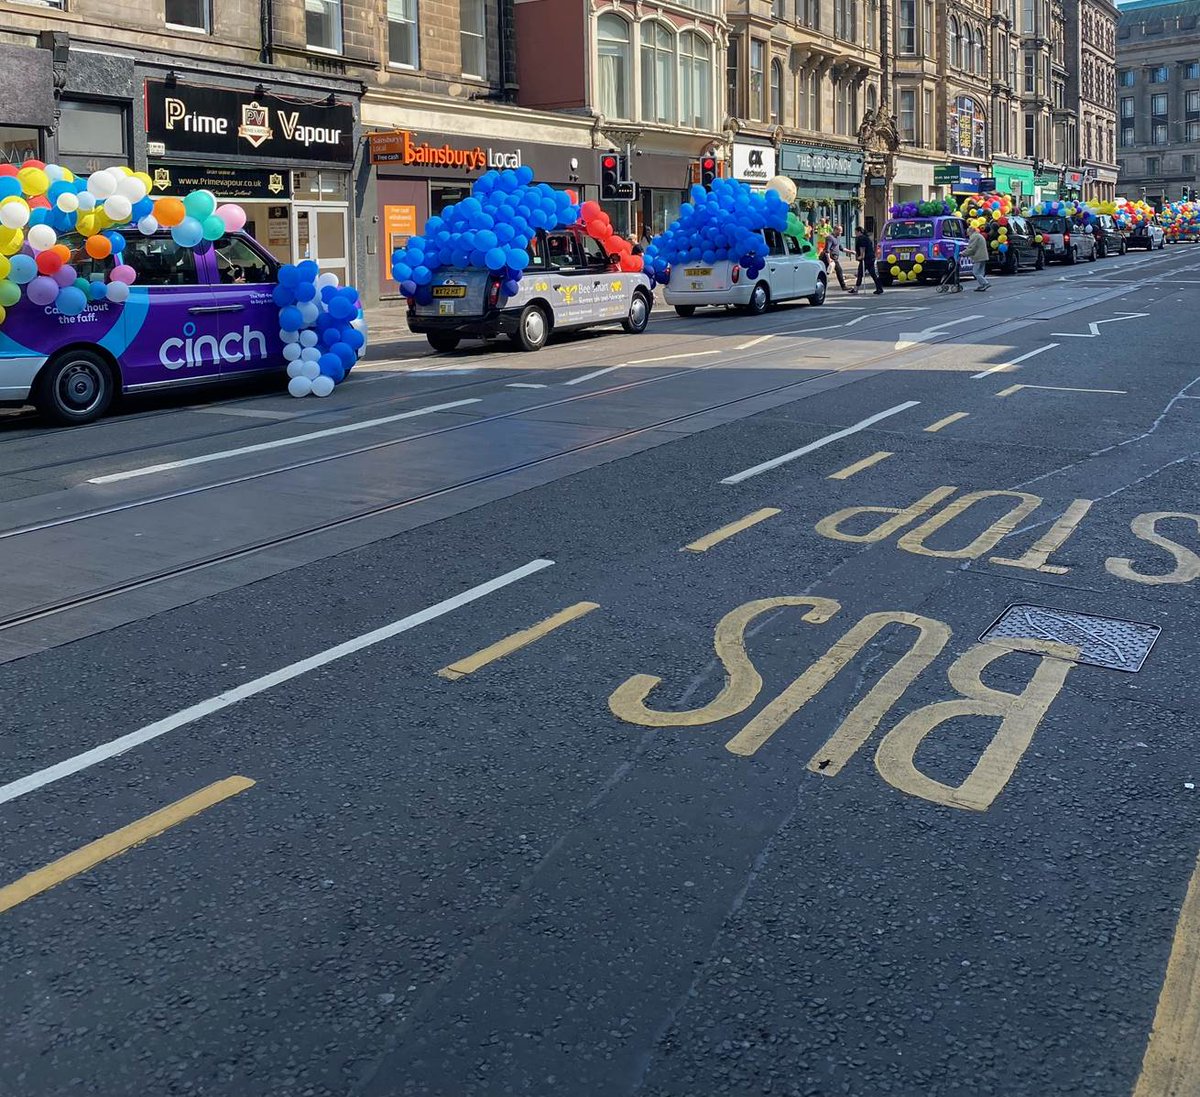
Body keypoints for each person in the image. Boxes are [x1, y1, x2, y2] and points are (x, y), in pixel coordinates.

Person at [850, 225, 882, 295]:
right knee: (872, 273)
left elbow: (862, 248)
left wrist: (861, 256)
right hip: (871, 257)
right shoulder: (866, 238)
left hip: (866, 259)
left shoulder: (861, 238)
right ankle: (879, 288)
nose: (855, 234)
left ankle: (856, 289)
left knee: (860, 273)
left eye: (856, 232)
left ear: (859, 232)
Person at [963, 226, 991, 292]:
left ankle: (985, 283)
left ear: (970, 231)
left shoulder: (974, 237)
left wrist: (963, 253)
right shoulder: (979, 235)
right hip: (983, 256)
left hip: (978, 256)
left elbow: (971, 248)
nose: (967, 234)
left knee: (976, 272)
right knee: (981, 272)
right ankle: (982, 285)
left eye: (968, 232)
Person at [825, 224, 849, 291]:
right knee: (839, 270)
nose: (841, 233)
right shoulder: (830, 238)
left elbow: (841, 248)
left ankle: (843, 286)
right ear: (835, 230)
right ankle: (843, 286)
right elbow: (827, 250)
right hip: (831, 257)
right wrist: (829, 259)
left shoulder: (837, 238)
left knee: (826, 272)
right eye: (840, 231)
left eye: (841, 231)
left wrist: (850, 251)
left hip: (834, 257)